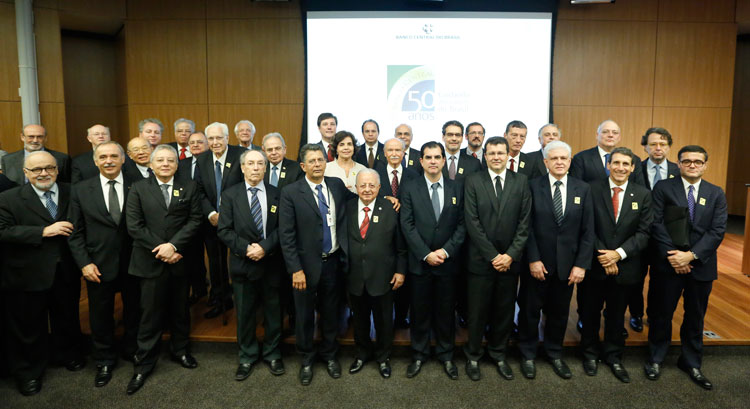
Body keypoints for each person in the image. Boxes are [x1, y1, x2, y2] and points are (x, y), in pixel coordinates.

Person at [0, 151, 83, 396]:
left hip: (65, 270)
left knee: (66, 317)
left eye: (49, 168)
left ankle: (66, 354)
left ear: (57, 170)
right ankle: (28, 372)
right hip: (26, 273)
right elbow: (3, 231)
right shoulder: (8, 198)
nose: (43, 173)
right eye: (36, 169)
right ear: (26, 173)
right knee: (28, 326)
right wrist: (42, 232)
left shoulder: (73, 191)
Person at [645, 145, 727, 390]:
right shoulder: (663, 188)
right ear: (678, 164)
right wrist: (675, 257)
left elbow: (717, 230)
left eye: (698, 161)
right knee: (661, 314)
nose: (692, 165)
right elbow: (656, 224)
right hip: (668, 263)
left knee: (695, 316)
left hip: (701, 265)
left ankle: (691, 362)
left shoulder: (716, 193)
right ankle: (655, 358)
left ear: (705, 165)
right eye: (687, 161)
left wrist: (690, 256)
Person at [125, 144, 202, 395]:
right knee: (150, 314)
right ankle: (144, 362)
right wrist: (162, 248)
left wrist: (174, 246)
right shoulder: (138, 189)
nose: (166, 164)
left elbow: (195, 220)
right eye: (160, 160)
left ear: (177, 165)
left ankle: (181, 351)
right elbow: (134, 226)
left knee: (180, 310)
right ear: (151, 164)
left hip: (179, 259)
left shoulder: (189, 187)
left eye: (170, 160)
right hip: (150, 261)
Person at [518, 140, 594, 380]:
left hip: (568, 266)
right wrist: (533, 259)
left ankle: (554, 353)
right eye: (554, 158)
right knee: (530, 312)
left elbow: (588, 231)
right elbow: (525, 227)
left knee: (560, 313)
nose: (559, 162)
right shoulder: (531, 186)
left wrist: (581, 264)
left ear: (570, 161)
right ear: (545, 162)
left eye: (564, 158)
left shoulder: (583, 188)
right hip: (537, 264)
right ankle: (528, 355)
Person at [279, 143, 354, 386]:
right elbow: (286, 236)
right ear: (303, 166)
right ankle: (307, 359)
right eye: (311, 161)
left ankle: (330, 356)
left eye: (320, 160)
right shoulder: (291, 192)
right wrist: (295, 269)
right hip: (304, 267)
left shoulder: (336, 185)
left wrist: (385, 196)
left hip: (332, 263)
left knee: (331, 313)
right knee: (304, 316)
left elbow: (359, 198)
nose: (317, 164)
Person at [67, 141, 141, 387]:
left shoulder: (138, 185)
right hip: (97, 264)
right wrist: (84, 263)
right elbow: (75, 232)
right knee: (100, 315)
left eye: (113, 156)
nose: (108, 160)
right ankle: (105, 360)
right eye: (103, 157)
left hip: (134, 262)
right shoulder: (80, 190)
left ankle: (132, 350)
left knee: (134, 310)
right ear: (95, 161)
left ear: (123, 160)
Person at [580, 147, 652, 383]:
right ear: (608, 165)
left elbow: (644, 233)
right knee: (589, 313)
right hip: (594, 263)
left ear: (633, 168)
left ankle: (613, 356)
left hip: (625, 266)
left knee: (616, 315)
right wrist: (604, 256)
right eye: (616, 163)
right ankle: (589, 354)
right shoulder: (591, 189)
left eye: (626, 164)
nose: (621, 168)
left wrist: (618, 255)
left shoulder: (642, 194)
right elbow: (586, 226)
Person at [463, 136, 531, 381]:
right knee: (477, 312)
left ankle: (498, 353)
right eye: (491, 153)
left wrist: (510, 255)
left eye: (500, 152)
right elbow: (472, 222)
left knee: (504, 310)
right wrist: (493, 255)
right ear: (485, 155)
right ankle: (472, 355)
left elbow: (525, 223)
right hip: (481, 261)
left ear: (507, 154)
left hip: (509, 263)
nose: (496, 157)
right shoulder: (472, 181)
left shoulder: (521, 181)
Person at [569, 119, 644, 333]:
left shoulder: (635, 163)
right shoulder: (583, 159)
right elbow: (580, 206)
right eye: (606, 132)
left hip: (625, 246)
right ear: (597, 134)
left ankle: (614, 333)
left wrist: (618, 253)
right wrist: (603, 253)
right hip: (594, 245)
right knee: (589, 301)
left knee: (617, 305)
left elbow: (639, 199)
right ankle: (585, 320)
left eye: (615, 132)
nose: (610, 135)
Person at [400, 141, 466, 380]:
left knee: (446, 312)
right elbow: (406, 225)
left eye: (437, 157)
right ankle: (418, 354)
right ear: (421, 161)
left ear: (443, 159)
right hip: (420, 263)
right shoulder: (410, 187)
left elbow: (462, 224)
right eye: (428, 157)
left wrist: (445, 252)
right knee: (419, 311)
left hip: (448, 263)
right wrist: (427, 254)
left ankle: (446, 355)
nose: (433, 161)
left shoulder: (457, 187)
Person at [217, 149, 285, 381]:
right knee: (245, 314)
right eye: (250, 164)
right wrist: (247, 248)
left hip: (272, 263)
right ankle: (246, 356)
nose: (255, 167)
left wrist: (265, 247)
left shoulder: (278, 194)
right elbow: (224, 230)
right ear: (243, 168)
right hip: (243, 264)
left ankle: (273, 353)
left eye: (260, 164)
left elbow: (284, 229)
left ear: (266, 169)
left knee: (273, 313)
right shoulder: (230, 195)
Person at [346, 169, 406, 379]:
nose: (367, 189)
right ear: (355, 187)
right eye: (362, 185)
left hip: (383, 276)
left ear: (380, 188)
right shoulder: (347, 207)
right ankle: (362, 354)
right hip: (354, 276)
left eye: (372, 185)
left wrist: (400, 271)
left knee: (383, 321)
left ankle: (383, 357)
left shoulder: (390, 208)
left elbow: (400, 245)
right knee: (360, 320)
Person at [627, 127, 680, 333]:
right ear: (645, 146)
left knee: (661, 279)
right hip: (638, 233)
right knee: (635, 279)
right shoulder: (634, 169)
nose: (658, 148)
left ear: (669, 147)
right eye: (653, 144)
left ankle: (654, 314)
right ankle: (636, 314)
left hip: (667, 236)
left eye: (663, 144)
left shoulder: (678, 170)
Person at [195, 122, 245, 319]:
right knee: (215, 263)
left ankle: (243, 298)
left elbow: (246, 186)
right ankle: (221, 299)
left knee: (239, 260)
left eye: (219, 138)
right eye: (211, 139)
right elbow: (198, 191)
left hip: (238, 220)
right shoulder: (202, 159)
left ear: (227, 138)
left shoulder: (240, 155)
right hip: (212, 221)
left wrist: (228, 214)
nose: (215, 142)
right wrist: (210, 214)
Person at [1, 124, 71, 185]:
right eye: (31, 137)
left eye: (39, 137)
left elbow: (67, 185)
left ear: (45, 138)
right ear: (22, 137)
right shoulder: (7, 160)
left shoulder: (62, 159)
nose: (35, 140)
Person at [441, 120, 481, 184]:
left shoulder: (474, 163)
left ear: (462, 138)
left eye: (457, 135)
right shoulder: (435, 161)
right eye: (450, 135)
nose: (454, 138)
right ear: (443, 137)